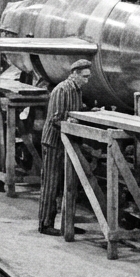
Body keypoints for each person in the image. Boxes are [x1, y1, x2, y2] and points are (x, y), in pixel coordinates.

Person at [38, 60, 92, 236]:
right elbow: (55, 119)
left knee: (69, 184)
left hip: (68, 142)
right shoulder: (62, 90)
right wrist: (70, 123)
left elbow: (74, 111)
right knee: (51, 183)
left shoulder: (77, 90)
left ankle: (67, 223)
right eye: (84, 77)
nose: (86, 80)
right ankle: (45, 224)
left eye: (88, 77)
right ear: (74, 73)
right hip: (54, 142)